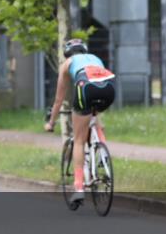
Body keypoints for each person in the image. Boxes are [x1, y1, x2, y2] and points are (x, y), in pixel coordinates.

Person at [44, 38, 116, 203]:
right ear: (84, 50)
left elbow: (59, 99)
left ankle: (78, 187)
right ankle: (103, 153)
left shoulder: (67, 63)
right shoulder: (95, 59)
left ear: (67, 53)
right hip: (109, 87)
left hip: (86, 87)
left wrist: (51, 122)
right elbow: (99, 80)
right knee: (95, 114)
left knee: (78, 140)